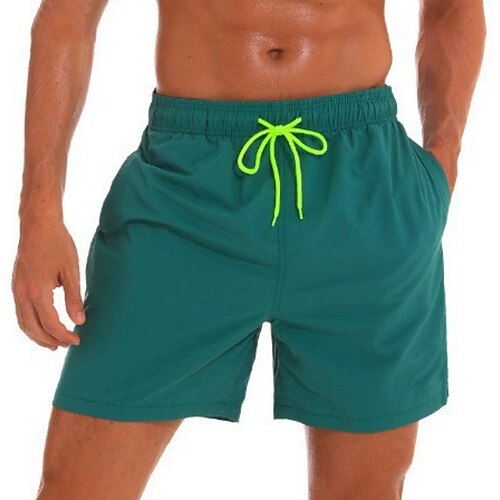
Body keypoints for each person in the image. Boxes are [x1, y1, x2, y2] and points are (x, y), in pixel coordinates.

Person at [12, 0, 485, 498]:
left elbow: (453, 7)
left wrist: (445, 152)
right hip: (185, 193)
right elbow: (69, 16)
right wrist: (39, 215)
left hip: (364, 187)